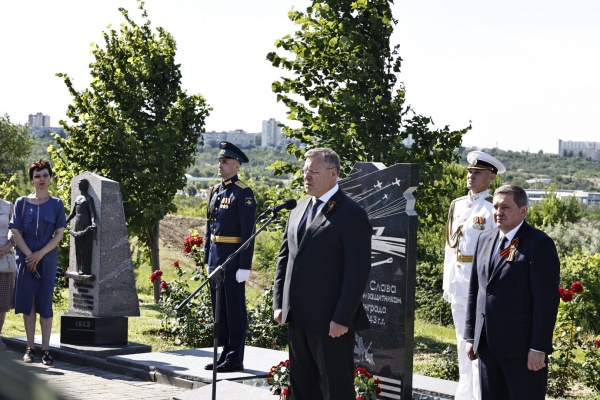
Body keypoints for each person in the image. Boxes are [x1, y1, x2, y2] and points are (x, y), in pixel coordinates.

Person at [273, 148, 372, 400]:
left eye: (313, 172)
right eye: (305, 171)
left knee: (335, 389)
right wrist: (280, 303)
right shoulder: (298, 208)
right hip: (297, 318)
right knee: (303, 389)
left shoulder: (351, 213)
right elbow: (285, 259)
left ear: (333, 173)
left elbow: (357, 272)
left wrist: (342, 318)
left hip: (331, 324)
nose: (307, 176)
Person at [465, 185, 560, 400]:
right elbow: (476, 291)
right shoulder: (484, 239)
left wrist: (538, 346)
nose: (498, 212)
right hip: (488, 347)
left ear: (523, 211)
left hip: (522, 350)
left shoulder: (539, 244)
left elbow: (546, 301)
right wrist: (471, 335)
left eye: (506, 207)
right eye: (496, 206)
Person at [442, 150, 505, 400]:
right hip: (458, 284)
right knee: (461, 343)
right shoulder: (457, 205)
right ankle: (464, 393)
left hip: (479, 288)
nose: (471, 176)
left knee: (477, 345)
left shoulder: (492, 208)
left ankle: (480, 394)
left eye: (478, 173)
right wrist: (448, 283)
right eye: (470, 172)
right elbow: (451, 247)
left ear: (491, 178)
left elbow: (497, 250)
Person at [203, 141, 256, 373]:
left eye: (225, 162)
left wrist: (244, 266)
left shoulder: (243, 193)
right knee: (220, 310)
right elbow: (210, 227)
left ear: (236, 166)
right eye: (219, 161)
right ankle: (224, 353)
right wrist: (207, 258)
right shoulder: (216, 191)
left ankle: (236, 356)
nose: (220, 165)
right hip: (216, 260)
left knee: (234, 310)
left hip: (233, 262)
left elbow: (248, 234)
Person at [10, 159, 66, 366]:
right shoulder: (21, 203)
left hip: (47, 259)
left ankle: (46, 350)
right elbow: (15, 230)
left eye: (45, 175)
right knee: (28, 303)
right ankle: (30, 348)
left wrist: (39, 255)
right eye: (37, 176)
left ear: (50, 178)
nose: (41, 179)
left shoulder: (57, 204)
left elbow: (59, 234)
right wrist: (28, 256)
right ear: (32, 180)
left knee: (45, 302)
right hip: (24, 259)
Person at [66, 178, 97, 275]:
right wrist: (64, 222)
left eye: (81, 184)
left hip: (85, 222)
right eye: (78, 184)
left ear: (85, 186)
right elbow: (73, 213)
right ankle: (79, 267)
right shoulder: (77, 198)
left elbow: (92, 213)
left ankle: (85, 269)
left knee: (85, 247)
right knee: (78, 246)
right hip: (77, 223)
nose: (79, 185)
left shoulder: (89, 199)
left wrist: (93, 222)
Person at [0, 197, 16, 349]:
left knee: (2, 302)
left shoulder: (8, 206)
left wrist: (7, 248)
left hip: (4, 258)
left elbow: (15, 230)